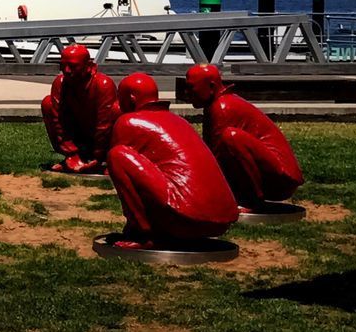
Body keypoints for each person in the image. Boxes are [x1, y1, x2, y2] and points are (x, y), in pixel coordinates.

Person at [106, 73, 238, 248]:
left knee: (117, 155)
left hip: (183, 219)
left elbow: (125, 174)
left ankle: (142, 232)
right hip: (220, 222)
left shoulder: (128, 122)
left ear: (131, 99)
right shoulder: (179, 121)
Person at [182, 64, 304, 208]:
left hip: (281, 180)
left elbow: (215, 159)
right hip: (274, 175)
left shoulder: (223, 108)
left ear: (211, 86)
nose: (187, 93)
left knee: (231, 137)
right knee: (228, 141)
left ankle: (252, 200)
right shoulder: (217, 105)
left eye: (191, 87)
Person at [41, 45, 119, 174]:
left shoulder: (103, 85)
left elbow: (104, 125)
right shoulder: (60, 83)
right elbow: (58, 119)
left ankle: (104, 159)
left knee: (116, 110)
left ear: (89, 67)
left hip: (102, 140)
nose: (66, 71)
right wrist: (71, 152)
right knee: (48, 104)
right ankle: (74, 157)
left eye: (73, 66)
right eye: (62, 66)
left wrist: (98, 156)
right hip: (78, 135)